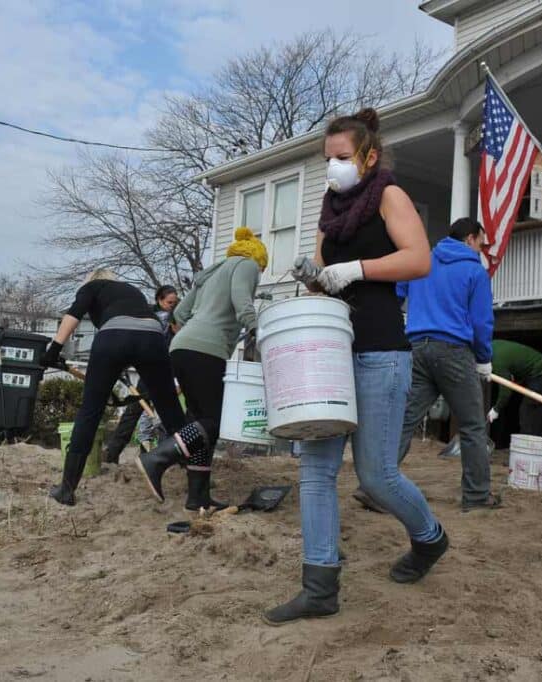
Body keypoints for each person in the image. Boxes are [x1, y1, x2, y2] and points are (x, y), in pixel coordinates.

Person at [263, 108, 448, 626]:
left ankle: (430, 538)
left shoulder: (389, 195)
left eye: (342, 158)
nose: (334, 168)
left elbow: (419, 259)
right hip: (330, 352)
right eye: (328, 160)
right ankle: (319, 586)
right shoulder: (329, 211)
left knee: (376, 475)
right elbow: (325, 280)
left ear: (368, 155)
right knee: (316, 471)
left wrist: (358, 268)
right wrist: (313, 275)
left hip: (382, 349)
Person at [136, 228, 266, 511]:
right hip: (207, 350)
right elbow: (241, 299)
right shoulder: (247, 265)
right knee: (213, 421)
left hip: (182, 347)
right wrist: (258, 329)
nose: (260, 275)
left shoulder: (209, 273)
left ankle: (198, 497)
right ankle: (157, 459)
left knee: (200, 423)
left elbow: (180, 314)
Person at [42, 270, 187, 506]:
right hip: (152, 338)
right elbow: (136, 329)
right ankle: (196, 477)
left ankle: (66, 490)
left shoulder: (92, 287)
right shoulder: (132, 291)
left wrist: (53, 350)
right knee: (170, 408)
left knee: (90, 412)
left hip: (113, 338)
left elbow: (73, 315)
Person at [394, 217, 498, 511]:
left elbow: (397, 292)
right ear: (469, 239)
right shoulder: (474, 272)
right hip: (454, 351)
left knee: (404, 420)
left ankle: (376, 486)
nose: (481, 247)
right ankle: (477, 496)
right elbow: (481, 322)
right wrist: (483, 358)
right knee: (473, 426)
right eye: (481, 241)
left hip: (417, 347)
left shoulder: (423, 261)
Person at [102, 285, 179, 463]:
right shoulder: (148, 315)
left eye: (174, 303)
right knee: (133, 410)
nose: (172, 306)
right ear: (159, 299)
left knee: (170, 416)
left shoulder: (178, 317)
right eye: (169, 302)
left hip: (168, 370)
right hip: (148, 368)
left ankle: (174, 458)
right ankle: (112, 454)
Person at [488, 339, 542, 436]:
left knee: (529, 409)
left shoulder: (497, 362)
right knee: (533, 410)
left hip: (541, 371)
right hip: (532, 372)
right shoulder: (492, 345)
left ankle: (529, 446)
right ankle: (534, 443)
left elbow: (506, 391)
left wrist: (496, 409)